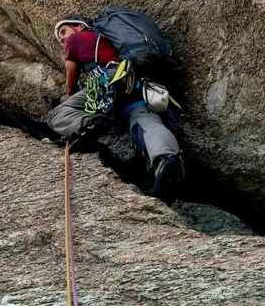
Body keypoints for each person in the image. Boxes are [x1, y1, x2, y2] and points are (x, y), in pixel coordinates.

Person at [46, 14, 184, 201]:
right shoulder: (110, 39)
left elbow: (71, 79)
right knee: (144, 120)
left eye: (63, 31)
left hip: (108, 80)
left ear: (78, 26)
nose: (62, 39)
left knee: (57, 114)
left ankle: (88, 123)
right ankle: (167, 159)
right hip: (131, 81)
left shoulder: (78, 38)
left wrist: (71, 93)